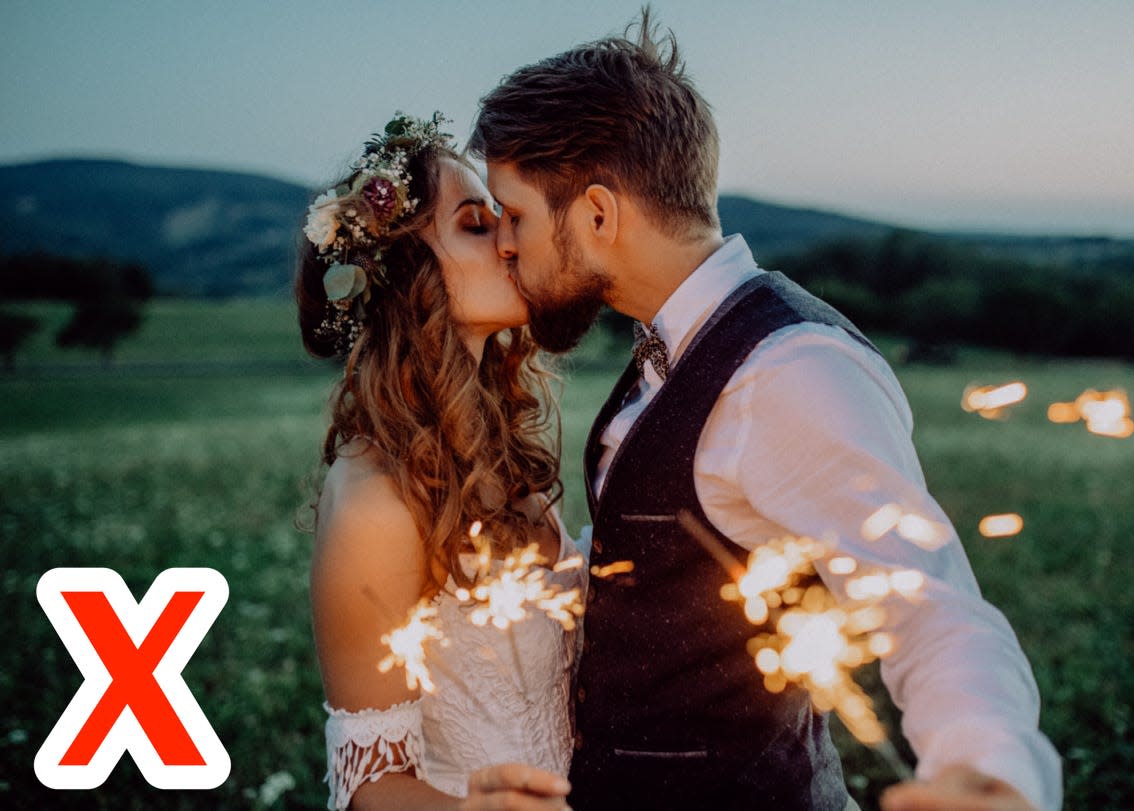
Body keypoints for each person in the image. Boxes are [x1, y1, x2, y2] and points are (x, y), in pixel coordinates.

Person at [470, 11, 1061, 811]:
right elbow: (673, 557)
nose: (505, 242)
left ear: (599, 215)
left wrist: (989, 776)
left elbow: (926, 604)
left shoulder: (791, 370)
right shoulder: (671, 344)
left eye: (516, 215)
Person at [297, 113, 581, 811]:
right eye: (477, 226)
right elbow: (368, 782)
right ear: (403, 274)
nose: (511, 243)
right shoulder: (375, 502)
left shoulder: (509, 454)